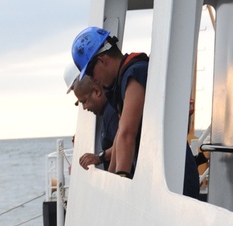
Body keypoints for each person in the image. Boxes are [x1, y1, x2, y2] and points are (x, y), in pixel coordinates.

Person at [70, 25, 201, 198]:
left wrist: (121, 180)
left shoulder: (135, 74)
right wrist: (109, 185)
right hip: (159, 179)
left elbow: (127, 133)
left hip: (175, 180)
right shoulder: (120, 84)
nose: (93, 79)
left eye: (92, 73)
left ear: (102, 60)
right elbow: (119, 141)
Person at [71, 74, 118, 170]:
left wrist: (99, 158)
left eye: (84, 101)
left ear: (97, 92)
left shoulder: (111, 113)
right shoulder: (107, 112)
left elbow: (123, 145)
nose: (84, 108)